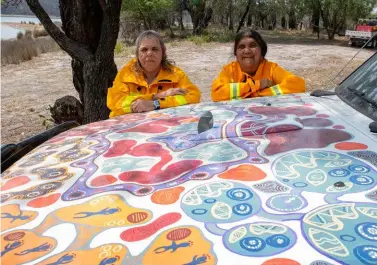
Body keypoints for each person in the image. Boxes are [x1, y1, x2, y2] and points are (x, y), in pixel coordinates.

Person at [107, 30, 200, 117]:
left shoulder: (175, 74)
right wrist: (157, 96)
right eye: (144, 50)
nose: (149, 53)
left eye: (155, 49)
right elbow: (115, 103)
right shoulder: (126, 74)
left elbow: (193, 97)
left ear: (163, 52)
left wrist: (156, 104)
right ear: (137, 53)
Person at [211, 29, 305, 102]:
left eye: (252, 45)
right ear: (236, 54)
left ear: (262, 52)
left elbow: (298, 85)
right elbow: (216, 93)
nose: (247, 51)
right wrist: (257, 85)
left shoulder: (271, 68)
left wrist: (256, 94)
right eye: (241, 47)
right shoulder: (229, 70)